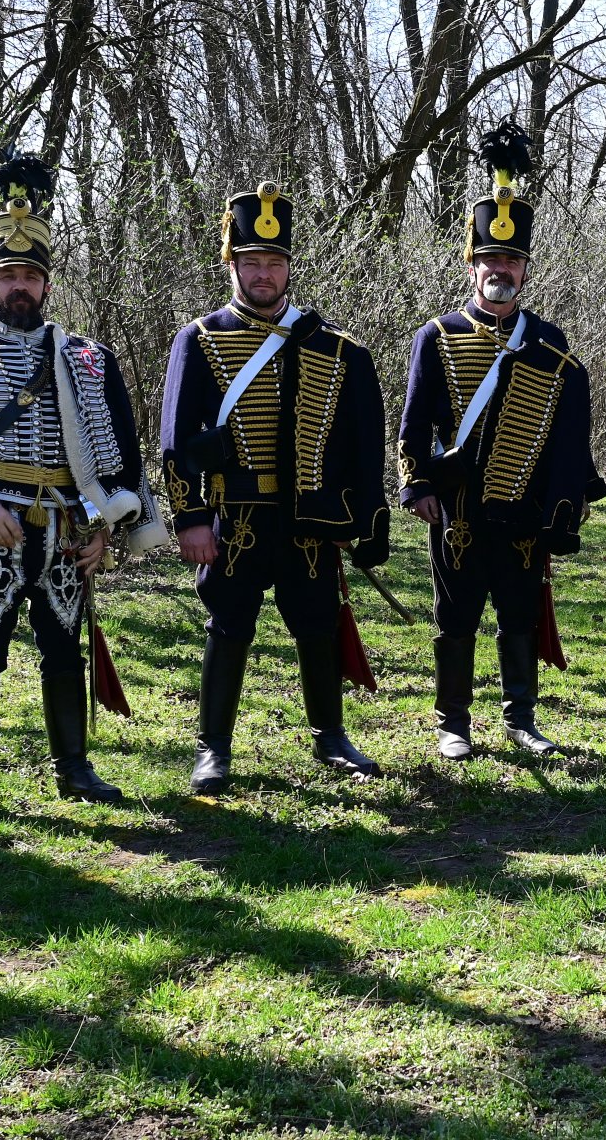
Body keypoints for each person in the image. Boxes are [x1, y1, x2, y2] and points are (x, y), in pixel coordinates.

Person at [0, 152, 168, 832]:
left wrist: (108, 525)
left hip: (66, 526)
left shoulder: (89, 356)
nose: (19, 287)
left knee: (64, 647)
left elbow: (121, 449)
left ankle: (74, 770)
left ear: (47, 284)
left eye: (30, 276)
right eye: (8, 277)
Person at [161, 182, 390, 795]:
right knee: (228, 624)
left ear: (289, 267)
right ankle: (213, 749)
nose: (264, 274)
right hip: (234, 514)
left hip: (307, 516)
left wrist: (363, 522)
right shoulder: (199, 339)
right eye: (251, 262)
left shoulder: (333, 347)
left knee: (317, 621)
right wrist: (190, 518)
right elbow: (178, 439)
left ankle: (331, 737)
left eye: (274, 262)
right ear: (231, 264)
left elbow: (364, 446)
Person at [398, 124, 605, 759]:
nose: (501, 270)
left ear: (525, 267)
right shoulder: (436, 336)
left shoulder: (552, 344)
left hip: (521, 513)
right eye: (490, 259)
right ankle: (453, 724)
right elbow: (412, 423)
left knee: (520, 616)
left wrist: (561, 513)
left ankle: (521, 719)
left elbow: (571, 440)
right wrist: (418, 485)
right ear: (472, 263)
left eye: (512, 260)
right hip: (457, 510)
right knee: (455, 617)